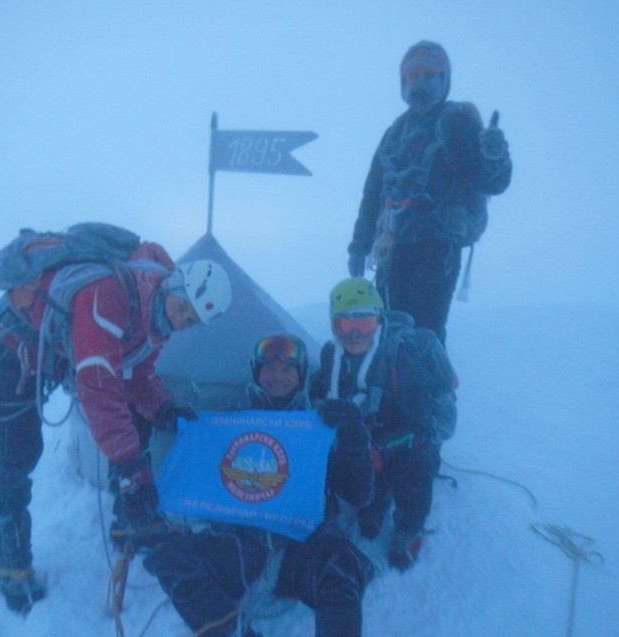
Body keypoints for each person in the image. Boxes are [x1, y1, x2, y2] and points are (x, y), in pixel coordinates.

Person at [0, 238, 232, 614]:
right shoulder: (111, 293)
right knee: (15, 457)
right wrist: (129, 466)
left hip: (57, 352)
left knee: (137, 419)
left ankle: (128, 523)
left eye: (191, 320)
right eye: (183, 309)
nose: (181, 323)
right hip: (12, 345)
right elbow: (99, 382)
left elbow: (136, 373)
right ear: (172, 287)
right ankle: (10, 566)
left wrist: (161, 408)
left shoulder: (156, 316)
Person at [143, 334, 375, 637]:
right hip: (240, 547)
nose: (277, 377)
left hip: (300, 547)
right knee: (168, 556)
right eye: (269, 369)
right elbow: (199, 480)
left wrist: (354, 440)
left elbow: (359, 493)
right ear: (256, 372)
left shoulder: (321, 423)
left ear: (301, 374)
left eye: (287, 369)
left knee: (340, 560)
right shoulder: (230, 421)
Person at [347, 40, 512, 345]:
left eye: (428, 73)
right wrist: (359, 245)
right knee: (387, 333)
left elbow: (490, 183)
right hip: (392, 248)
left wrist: (495, 156)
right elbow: (372, 193)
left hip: (436, 247)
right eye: (412, 75)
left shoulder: (456, 120)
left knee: (423, 335)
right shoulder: (395, 131)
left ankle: (428, 393)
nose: (420, 80)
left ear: (444, 78)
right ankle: (392, 392)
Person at [310, 278, 457, 571]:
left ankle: (409, 527)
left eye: (363, 323)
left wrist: (381, 449)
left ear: (377, 321)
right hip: (364, 434)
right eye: (343, 325)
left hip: (409, 438)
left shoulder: (402, 358)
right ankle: (374, 500)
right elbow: (319, 393)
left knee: (414, 466)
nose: (353, 333)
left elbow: (425, 428)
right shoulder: (331, 355)